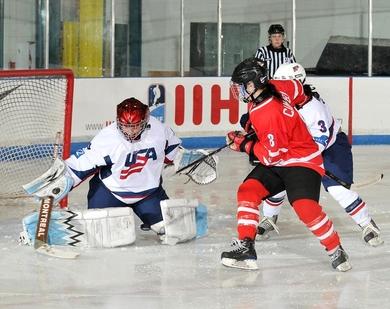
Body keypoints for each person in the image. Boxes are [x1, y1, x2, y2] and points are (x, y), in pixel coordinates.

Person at [221, 57, 351, 272]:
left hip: (302, 161)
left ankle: (335, 248)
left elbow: (271, 157)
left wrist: (244, 144)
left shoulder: (268, 112)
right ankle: (246, 247)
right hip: (282, 154)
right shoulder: (276, 86)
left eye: (241, 86)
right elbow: (299, 88)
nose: (238, 91)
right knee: (248, 191)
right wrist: (278, 125)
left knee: (305, 208)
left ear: (254, 84)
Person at [255, 63, 383, 247]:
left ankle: (367, 224)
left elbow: (317, 145)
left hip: (331, 149)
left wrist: (293, 159)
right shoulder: (284, 102)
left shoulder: (312, 109)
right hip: (301, 148)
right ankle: (269, 218)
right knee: (279, 179)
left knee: (337, 189)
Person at [65, 97, 181, 234]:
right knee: (100, 234)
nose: (130, 131)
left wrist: (183, 158)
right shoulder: (107, 138)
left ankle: (150, 216)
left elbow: (173, 153)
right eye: (126, 126)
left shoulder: (159, 130)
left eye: (135, 126)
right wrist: (61, 180)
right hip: (111, 192)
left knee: (172, 230)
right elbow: (79, 165)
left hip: (148, 192)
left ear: (145, 121)